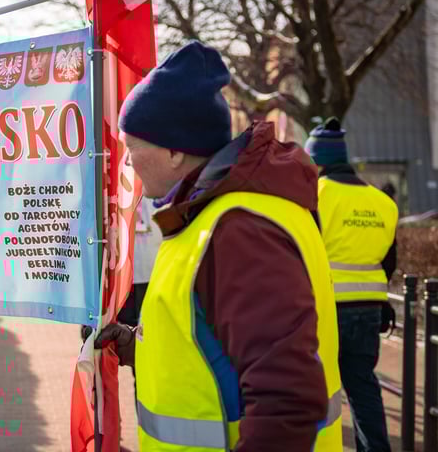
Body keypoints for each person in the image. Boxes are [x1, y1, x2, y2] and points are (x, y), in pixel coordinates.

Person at [94, 41, 343, 451]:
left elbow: (289, 399)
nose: (129, 162)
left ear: (175, 151)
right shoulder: (217, 217)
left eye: (132, 147)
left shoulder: (239, 229)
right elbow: (216, 347)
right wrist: (140, 343)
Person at [305, 119, 398, 452]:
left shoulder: (315, 195)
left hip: (327, 309)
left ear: (317, 161)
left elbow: (305, 250)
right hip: (370, 309)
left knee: (318, 391)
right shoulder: (382, 202)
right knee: (363, 388)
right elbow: (389, 262)